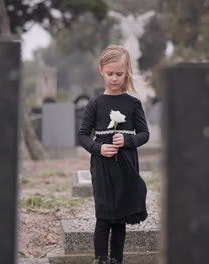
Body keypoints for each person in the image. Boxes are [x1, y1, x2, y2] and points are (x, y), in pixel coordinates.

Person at [78, 45, 149, 264]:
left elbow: (144, 134)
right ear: (101, 70)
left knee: (120, 218)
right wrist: (99, 148)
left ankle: (117, 259)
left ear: (126, 72)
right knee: (104, 216)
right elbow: (82, 135)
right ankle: (100, 259)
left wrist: (128, 140)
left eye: (119, 74)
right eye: (110, 74)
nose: (115, 79)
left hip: (126, 167)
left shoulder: (133, 104)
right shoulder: (95, 103)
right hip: (102, 168)